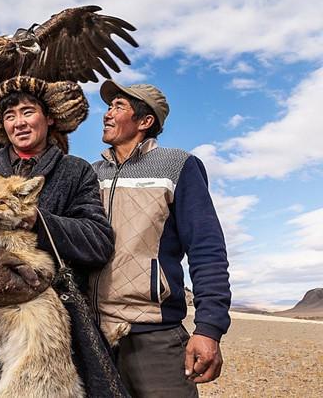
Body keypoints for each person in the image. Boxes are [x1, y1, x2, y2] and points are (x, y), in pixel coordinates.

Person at [0, 77, 114, 396]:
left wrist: (40, 222)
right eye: (9, 116)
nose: (19, 122)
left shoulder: (76, 172)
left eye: (27, 112)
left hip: (45, 329)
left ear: (49, 118)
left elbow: (98, 240)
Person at [91, 80, 232, 397]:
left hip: (157, 335)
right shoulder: (90, 173)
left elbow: (206, 249)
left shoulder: (178, 165)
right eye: (108, 106)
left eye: (118, 106)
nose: (107, 114)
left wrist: (209, 329)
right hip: (95, 336)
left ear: (144, 121)